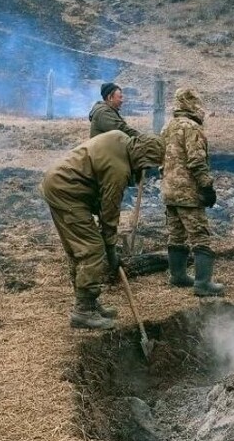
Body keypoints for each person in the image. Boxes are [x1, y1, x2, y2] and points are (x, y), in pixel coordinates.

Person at [41, 131, 165, 330]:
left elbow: (99, 188)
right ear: (143, 157)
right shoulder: (119, 169)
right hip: (67, 190)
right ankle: (83, 310)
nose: (146, 170)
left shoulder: (120, 138)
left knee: (80, 248)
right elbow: (109, 211)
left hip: (59, 184)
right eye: (148, 164)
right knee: (91, 248)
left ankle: (88, 302)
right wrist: (110, 247)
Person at [160, 86, 224, 296]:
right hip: (187, 193)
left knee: (176, 234)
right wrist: (207, 187)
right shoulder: (192, 128)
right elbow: (196, 161)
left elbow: (160, 157)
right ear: (192, 104)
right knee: (200, 235)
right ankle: (203, 283)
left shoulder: (168, 126)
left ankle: (177, 276)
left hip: (169, 191)